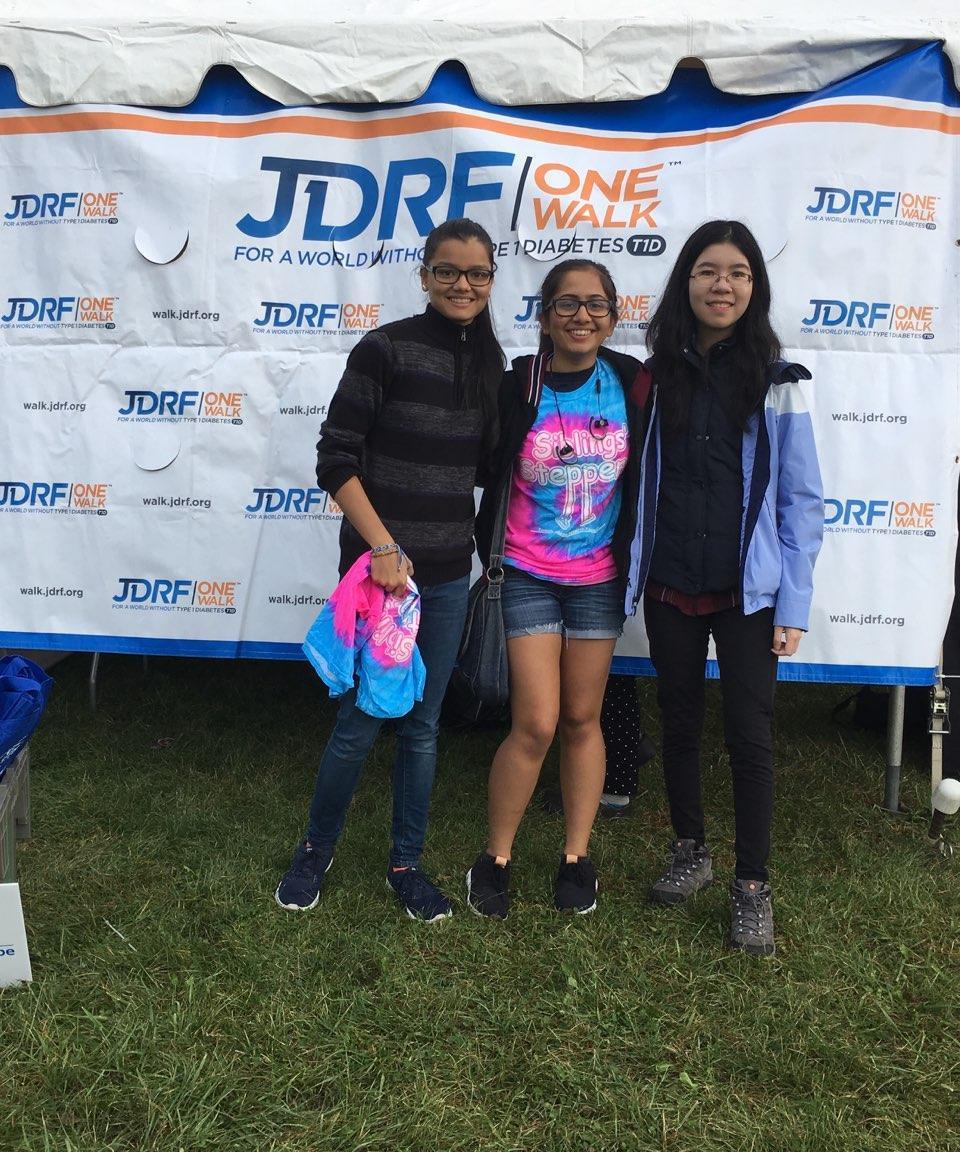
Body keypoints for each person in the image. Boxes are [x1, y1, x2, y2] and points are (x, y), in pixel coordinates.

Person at [275, 218, 503, 922]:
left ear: (492, 281)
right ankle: (315, 849)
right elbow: (335, 458)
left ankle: (406, 863)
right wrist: (380, 549)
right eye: (448, 271)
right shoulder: (385, 348)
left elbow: (487, 471)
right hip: (383, 581)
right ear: (425, 275)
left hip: (446, 577)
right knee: (360, 720)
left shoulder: (492, 365)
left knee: (424, 725)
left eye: (477, 274)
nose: (462, 285)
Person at [624, 219, 823, 956]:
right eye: (709, 271)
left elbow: (802, 501)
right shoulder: (651, 377)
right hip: (670, 585)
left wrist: (792, 602)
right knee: (678, 722)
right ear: (687, 282)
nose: (723, 285)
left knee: (749, 735)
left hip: (749, 596)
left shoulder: (778, 381)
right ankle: (690, 850)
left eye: (738, 273)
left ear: (754, 288)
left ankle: (751, 886)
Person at [466, 259, 649, 918]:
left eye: (596, 304)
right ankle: (495, 856)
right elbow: (478, 460)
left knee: (581, 719)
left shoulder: (633, 382)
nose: (582, 316)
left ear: (613, 316)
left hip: (598, 579)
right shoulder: (520, 383)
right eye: (566, 304)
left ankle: (576, 856)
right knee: (536, 723)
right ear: (544, 316)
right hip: (526, 571)